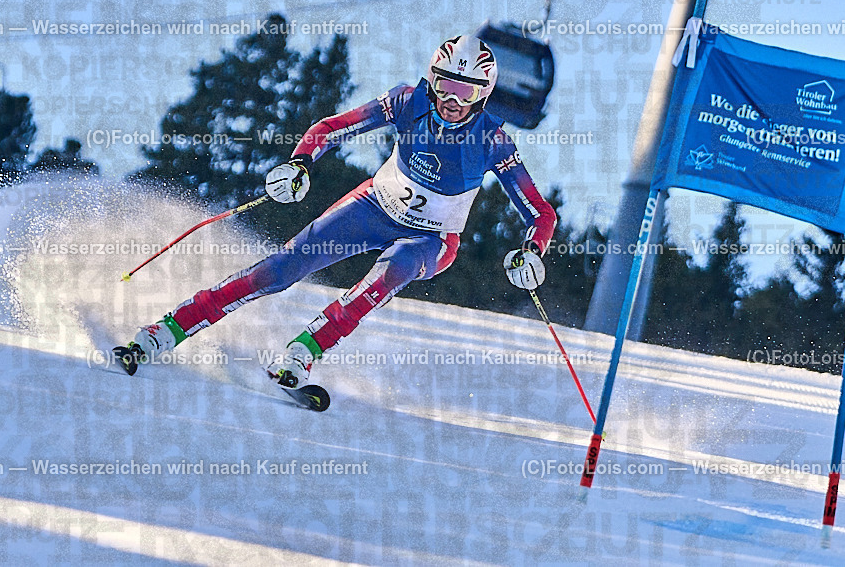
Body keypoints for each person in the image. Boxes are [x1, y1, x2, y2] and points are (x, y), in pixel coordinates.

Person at [118, 35, 557, 387]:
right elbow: (330, 129)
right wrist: (299, 164)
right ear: (431, 79)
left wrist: (532, 251)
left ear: (482, 95)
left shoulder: (492, 141)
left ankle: (304, 352)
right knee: (281, 268)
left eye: (465, 92)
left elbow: (540, 214)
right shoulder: (407, 102)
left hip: (431, 238)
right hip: (376, 206)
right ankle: (168, 329)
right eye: (444, 85)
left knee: (393, 270)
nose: (451, 100)